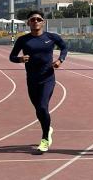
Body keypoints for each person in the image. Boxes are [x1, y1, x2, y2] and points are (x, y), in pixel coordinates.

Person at [9, 10, 68, 152]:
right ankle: (48, 128)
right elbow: (12, 56)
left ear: (43, 22)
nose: (35, 21)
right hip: (31, 79)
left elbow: (64, 47)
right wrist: (19, 59)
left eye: (38, 19)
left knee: (42, 107)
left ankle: (45, 139)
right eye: (32, 19)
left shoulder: (51, 37)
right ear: (28, 23)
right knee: (39, 110)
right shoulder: (23, 40)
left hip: (47, 78)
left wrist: (60, 60)